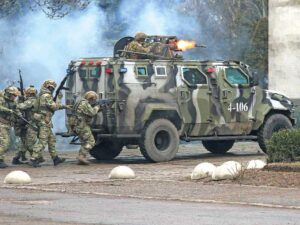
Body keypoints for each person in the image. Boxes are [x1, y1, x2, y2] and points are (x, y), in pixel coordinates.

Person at [29, 80, 68, 167]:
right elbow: (54, 107)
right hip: (44, 121)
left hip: (44, 121)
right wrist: (59, 98)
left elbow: (51, 106)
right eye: (51, 87)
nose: (52, 89)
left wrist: (65, 106)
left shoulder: (42, 95)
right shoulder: (46, 96)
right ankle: (34, 158)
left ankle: (55, 158)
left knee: (51, 140)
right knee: (42, 141)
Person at [12, 86, 40, 164]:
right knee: (27, 142)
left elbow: (21, 106)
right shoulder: (33, 100)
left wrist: (18, 102)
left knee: (27, 142)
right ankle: (34, 158)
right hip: (28, 123)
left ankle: (33, 158)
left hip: (30, 123)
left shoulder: (31, 100)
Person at [74, 91, 100, 165]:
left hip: (77, 125)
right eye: (93, 99)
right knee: (91, 141)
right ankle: (82, 156)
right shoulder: (85, 103)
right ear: (90, 98)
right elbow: (92, 113)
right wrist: (97, 107)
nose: (93, 101)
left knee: (84, 142)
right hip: (82, 125)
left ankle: (81, 158)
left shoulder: (79, 102)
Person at [0, 86, 21, 168]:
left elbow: (16, 110)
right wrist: (8, 110)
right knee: (5, 143)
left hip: (8, 124)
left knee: (5, 143)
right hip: (1, 123)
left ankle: (0, 160)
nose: (15, 97)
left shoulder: (13, 102)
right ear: (9, 94)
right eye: (14, 95)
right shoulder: (1, 99)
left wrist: (19, 115)